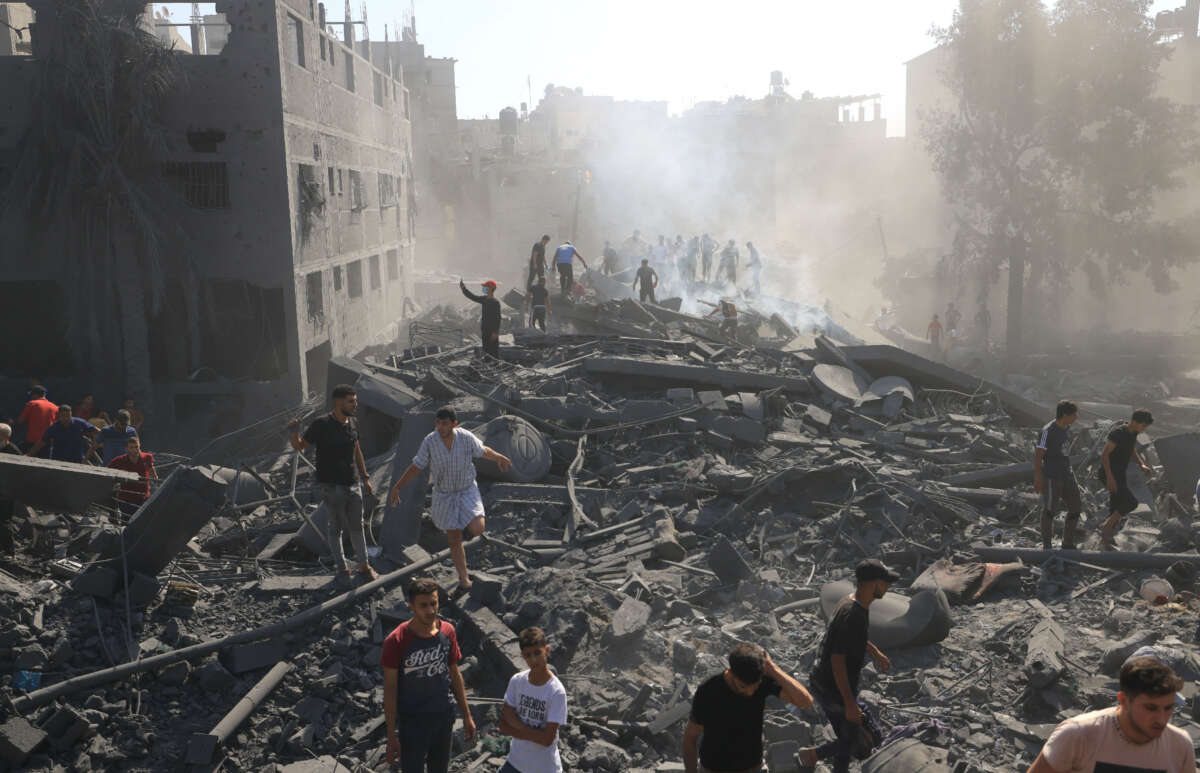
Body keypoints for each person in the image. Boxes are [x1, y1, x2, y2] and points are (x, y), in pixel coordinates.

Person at [388, 405, 512, 589]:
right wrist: (397, 487)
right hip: (444, 494)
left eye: (444, 423)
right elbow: (416, 466)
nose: (440, 427)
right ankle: (464, 579)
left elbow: (482, 450)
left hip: (466, 489)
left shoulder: (465, 437)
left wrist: (499, 457)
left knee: (478, 528)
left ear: (454, 424)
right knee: (454, 539)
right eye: (438, 423)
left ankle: (464, 527)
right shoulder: (430, 441)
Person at [799, 559, 899, 772]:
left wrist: (874, 651)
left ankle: (822, 759)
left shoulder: (851, 602)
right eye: (885, 582)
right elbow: (837, 661)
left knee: (851, 738)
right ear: (873, 584)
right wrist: (849, 703)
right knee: (863, 741)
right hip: (832, 689)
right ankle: (812, 754)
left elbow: (849, 638)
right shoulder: (853, 615)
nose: (888, 587)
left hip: (824, 683)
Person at [1025, 656, 1193, 773]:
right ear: (1124, 700)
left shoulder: (1179, 745)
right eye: (1151, 708)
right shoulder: (1078, 735)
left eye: (1168, 708)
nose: (1162, 719)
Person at [380, 578, 476, 773]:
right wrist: (391, 736)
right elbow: (390, 689)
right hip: (413, 722)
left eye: (434, 603)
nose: (430, 610)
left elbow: (454, 673)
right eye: (423, 605)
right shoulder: (396, 640)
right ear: (411, 607)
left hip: (443, 716)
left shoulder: (447, 631)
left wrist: (466, 715)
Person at [288, 384, 378, 581]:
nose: (356, 404)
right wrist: (294, 432)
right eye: (351, 401)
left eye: (355, 400)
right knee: (335, 528)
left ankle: (364, 566)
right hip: (331, 487)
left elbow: (357, 451)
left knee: (357, 527)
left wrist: (365, 478)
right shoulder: (321, 424)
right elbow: (300, 446)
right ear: (338, 403)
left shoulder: (352, 423)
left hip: (353, 485)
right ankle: (342, 569)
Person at [683, 642, 813, 773]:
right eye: (743, 687)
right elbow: (691, 736)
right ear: (731, 672)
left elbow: (805, 702)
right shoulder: (709, 691)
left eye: (755, 687)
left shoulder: (763, 681)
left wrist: (773, 668)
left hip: (753, 768)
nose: (750, 692)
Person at [498, 627, 569, 773]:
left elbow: (547, 739)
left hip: (544, 768)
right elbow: (504, 726)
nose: (533, 659)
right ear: (523, 656)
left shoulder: (556, 692)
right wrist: (534, 734)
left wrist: (518, 727)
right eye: (528, 655)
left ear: (547, 650)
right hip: (515, 763)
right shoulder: (517, 681)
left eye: (537, 653)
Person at [1099, 410, 1155, 550]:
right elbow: (1105, 456)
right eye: (1143, 426)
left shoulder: (1133, 432)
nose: (1143, 429)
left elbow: (1131, 450)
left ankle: (1106, 540)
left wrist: (1141, 464)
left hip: (1119, 473)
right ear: (1135, 422)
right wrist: (1110, 478)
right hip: (1109, 473)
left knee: (1116, 505)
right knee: (1130, 502)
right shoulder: (1118, 433)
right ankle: (1105, 526)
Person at [1035, 400, 1082, 550]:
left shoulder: (1067, 429)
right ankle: (1047, 545)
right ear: (1065, 415)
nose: (1076, 417)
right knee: (1050, 510)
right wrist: (1038, 478)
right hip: (1052, 476)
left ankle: (1067, 543)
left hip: (1067, 474)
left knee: (1075, 508)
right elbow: (1038, 456)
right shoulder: (1046, 431)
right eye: (1074, 415)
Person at [25, 404, 97, 463]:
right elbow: (42, 442)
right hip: (58, 459)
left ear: (71, 414)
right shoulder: (54, 428)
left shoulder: (80, 423)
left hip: (77, 459)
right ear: (59, 416)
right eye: (63, 416)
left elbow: (96, 430)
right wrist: (29, 454)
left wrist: (97, 440)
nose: (66, 418)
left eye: (68, 416)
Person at [107, 436, 157, 515]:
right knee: (127, 521)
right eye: (131, 447)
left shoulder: (147, 457)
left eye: (136, 447)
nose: (134, 450)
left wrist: (155, 481)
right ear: (126, 448)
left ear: (139, 446)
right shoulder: (119, 460)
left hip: (143, 497)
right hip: (126, 499)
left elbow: (152, 472)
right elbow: (107, 472)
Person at [460, 279, 502, 359]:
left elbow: (498, 318)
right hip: (484, 329)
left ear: (490, 289)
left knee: (493, 351)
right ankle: (487, 365)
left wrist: (495, 332)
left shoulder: (495, 303)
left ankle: (495, 366)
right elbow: (473, 297)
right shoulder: (484, 299)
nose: (484, 288)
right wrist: (463, 288)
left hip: (492, 331)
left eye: (485, 287)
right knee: (486, 350)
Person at [16, 385, 57, 456]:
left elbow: (20, 421)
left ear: (35, 395)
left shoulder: (32, 404)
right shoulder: (55, 407)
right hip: (47, 442)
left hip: (31, 440)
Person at [0, 424, 20, 554]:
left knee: (5, 521)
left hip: (5, 493)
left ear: (6, 437)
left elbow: (19, 473)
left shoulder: (13, 451)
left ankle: (9, 550)